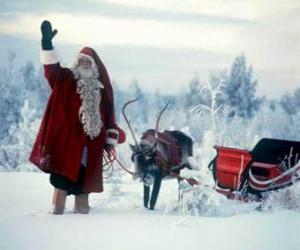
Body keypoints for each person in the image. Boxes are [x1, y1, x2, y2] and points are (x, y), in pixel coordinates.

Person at [29, 20, 125, 214]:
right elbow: (51, 71)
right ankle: (56, 214)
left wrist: (112, 138)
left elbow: (109, 118)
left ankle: (82, 218)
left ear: (94, 67)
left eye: (87, 62)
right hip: (66, 145)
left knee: (84, 186)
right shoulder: (65, 80)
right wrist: (47, 45)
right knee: (61, 184)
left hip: (90, 148)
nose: (83, 64)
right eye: (80, 61)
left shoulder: (101, 92)